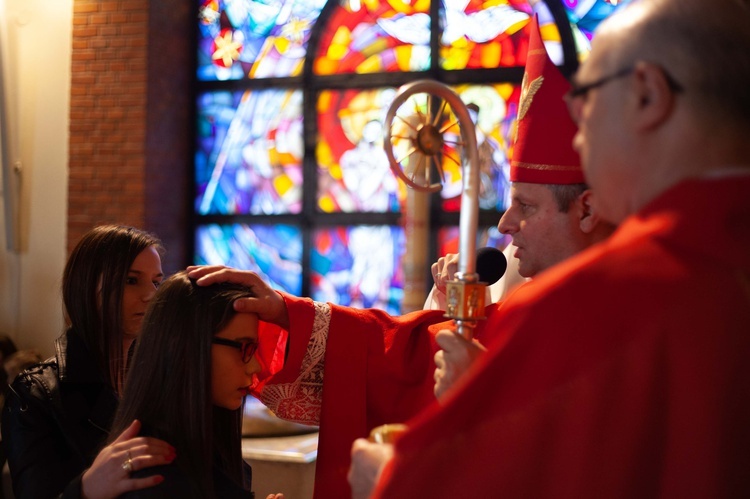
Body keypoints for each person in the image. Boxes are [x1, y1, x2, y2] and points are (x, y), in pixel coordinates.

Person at [187, 15, 617, 498]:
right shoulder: (529, 301)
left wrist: (479, 402)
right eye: (510, 202)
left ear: (586, 208)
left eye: (527, 206)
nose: (504, 224)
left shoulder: (627, 317)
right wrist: (288, 314)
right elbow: (405, 358)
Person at [349, 0, 750, 497]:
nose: (580, 135)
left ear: (648, 95)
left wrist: (391, 480)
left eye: (587, 100)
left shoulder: (588, 301)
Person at [2, 225, 175, 499]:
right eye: (131, 280)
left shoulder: (161, 381)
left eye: (157, 281)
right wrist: (87, 489)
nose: (151, 294)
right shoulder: (37, 395)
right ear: (86, 288)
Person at [109, 271, 283, 499]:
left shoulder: (203, 442)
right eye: (243, 348)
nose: (255, 367)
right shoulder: (156, 469)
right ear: (188, 347)